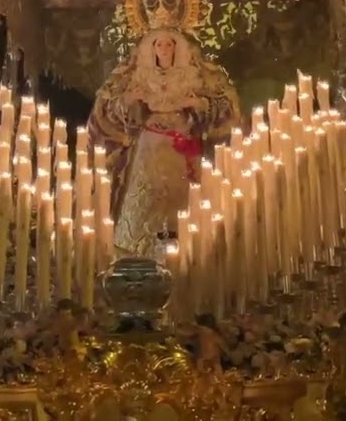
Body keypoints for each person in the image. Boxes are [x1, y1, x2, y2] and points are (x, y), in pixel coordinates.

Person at [89, 27, 238, 257]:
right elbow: (111, 107)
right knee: (147, 197)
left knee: (185, 200)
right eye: (159, 45)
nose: (165, 49)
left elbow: (220, 107)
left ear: (177, 48)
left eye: (169, 45)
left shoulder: (192, 75)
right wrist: (130, 100)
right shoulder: (138, 75)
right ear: (152, 49)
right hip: (149, 144)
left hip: (183, 144)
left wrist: (198, 104)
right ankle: (140, 247)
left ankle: (189, 247)